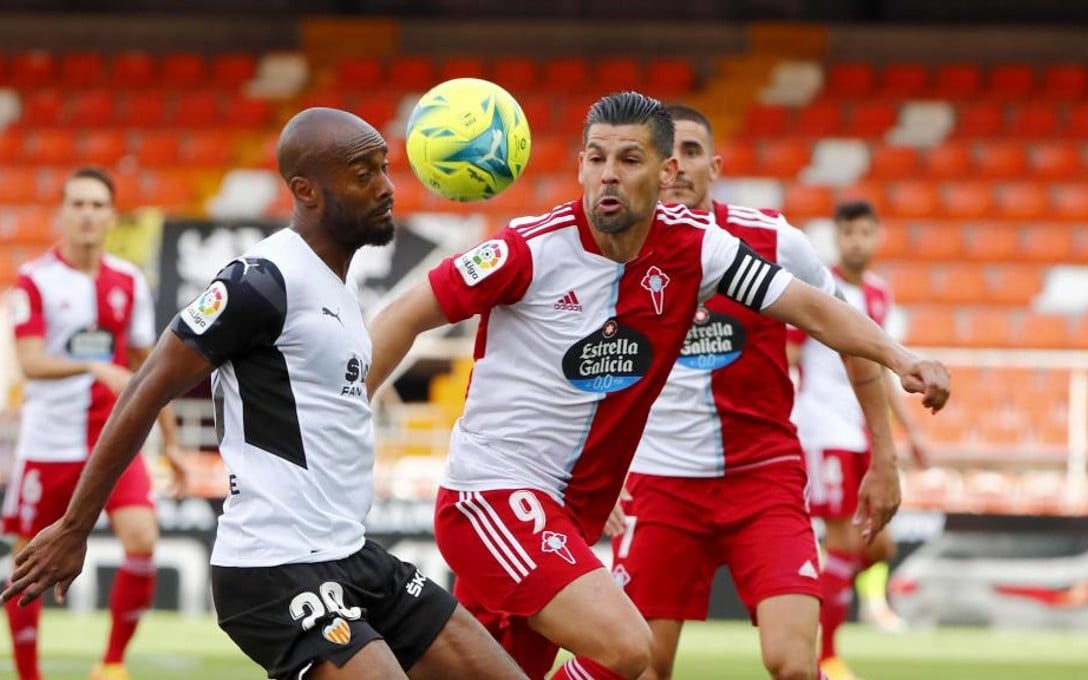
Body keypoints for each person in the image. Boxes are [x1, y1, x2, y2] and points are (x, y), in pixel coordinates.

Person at [366, 92, 950, 680]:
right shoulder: (529, 248)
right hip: (493, 496)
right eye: (596, 159)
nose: (608, 176)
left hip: (574, 512)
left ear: (666, 171)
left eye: (628, 160)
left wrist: (900, 358)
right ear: (580, 167)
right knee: (628, 651)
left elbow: (811, 308)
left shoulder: (698, 248)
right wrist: (342, 415)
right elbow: (404, 314)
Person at [0, 108, 527, 680]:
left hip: (351, 553)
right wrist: (76, 526)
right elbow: (146, 385)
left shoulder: (337, 283)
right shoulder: (261, 280)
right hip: (274, 567)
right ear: (307, 191)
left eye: (383, 168)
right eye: (362, 174)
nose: (385, 188)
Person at [603, 105, 909, 680]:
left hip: (762, 480)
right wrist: (599, 471)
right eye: (666, 154)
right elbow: (590, 373)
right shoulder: (612, 252)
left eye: (692, 152)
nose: (678, 166)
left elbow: (848, 337)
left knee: (794, 664)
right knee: (640, 666)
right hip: (662, 486)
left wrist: (885, 454)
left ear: (715, 165)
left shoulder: (771, 238)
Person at [0, 166, 189, 680]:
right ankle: (28, 674)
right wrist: (92, 366)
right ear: (62, 213)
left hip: (114, 440)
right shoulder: (34, 279)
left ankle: (111, 665)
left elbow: (153, 369)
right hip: (49, 443)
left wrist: (170, 443)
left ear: (111, 216)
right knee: (27, 566)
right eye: (78, 204)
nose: (87, 214)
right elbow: (31, 361)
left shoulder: (129, 282)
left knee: (143, 537)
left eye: (97, 205)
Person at [789, 200, 930, 680]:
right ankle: (825, 654)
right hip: (822, 430)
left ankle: (831, 600)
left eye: (865, 233)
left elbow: (876, 365)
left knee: (880, 545)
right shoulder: (817, 289)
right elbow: (788, 356)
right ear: (837, 236)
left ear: (876, 237)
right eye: (848, 233)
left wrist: (909, 433)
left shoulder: (877, 294)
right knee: (848, 540)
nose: (857, 242)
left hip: (861, 430)